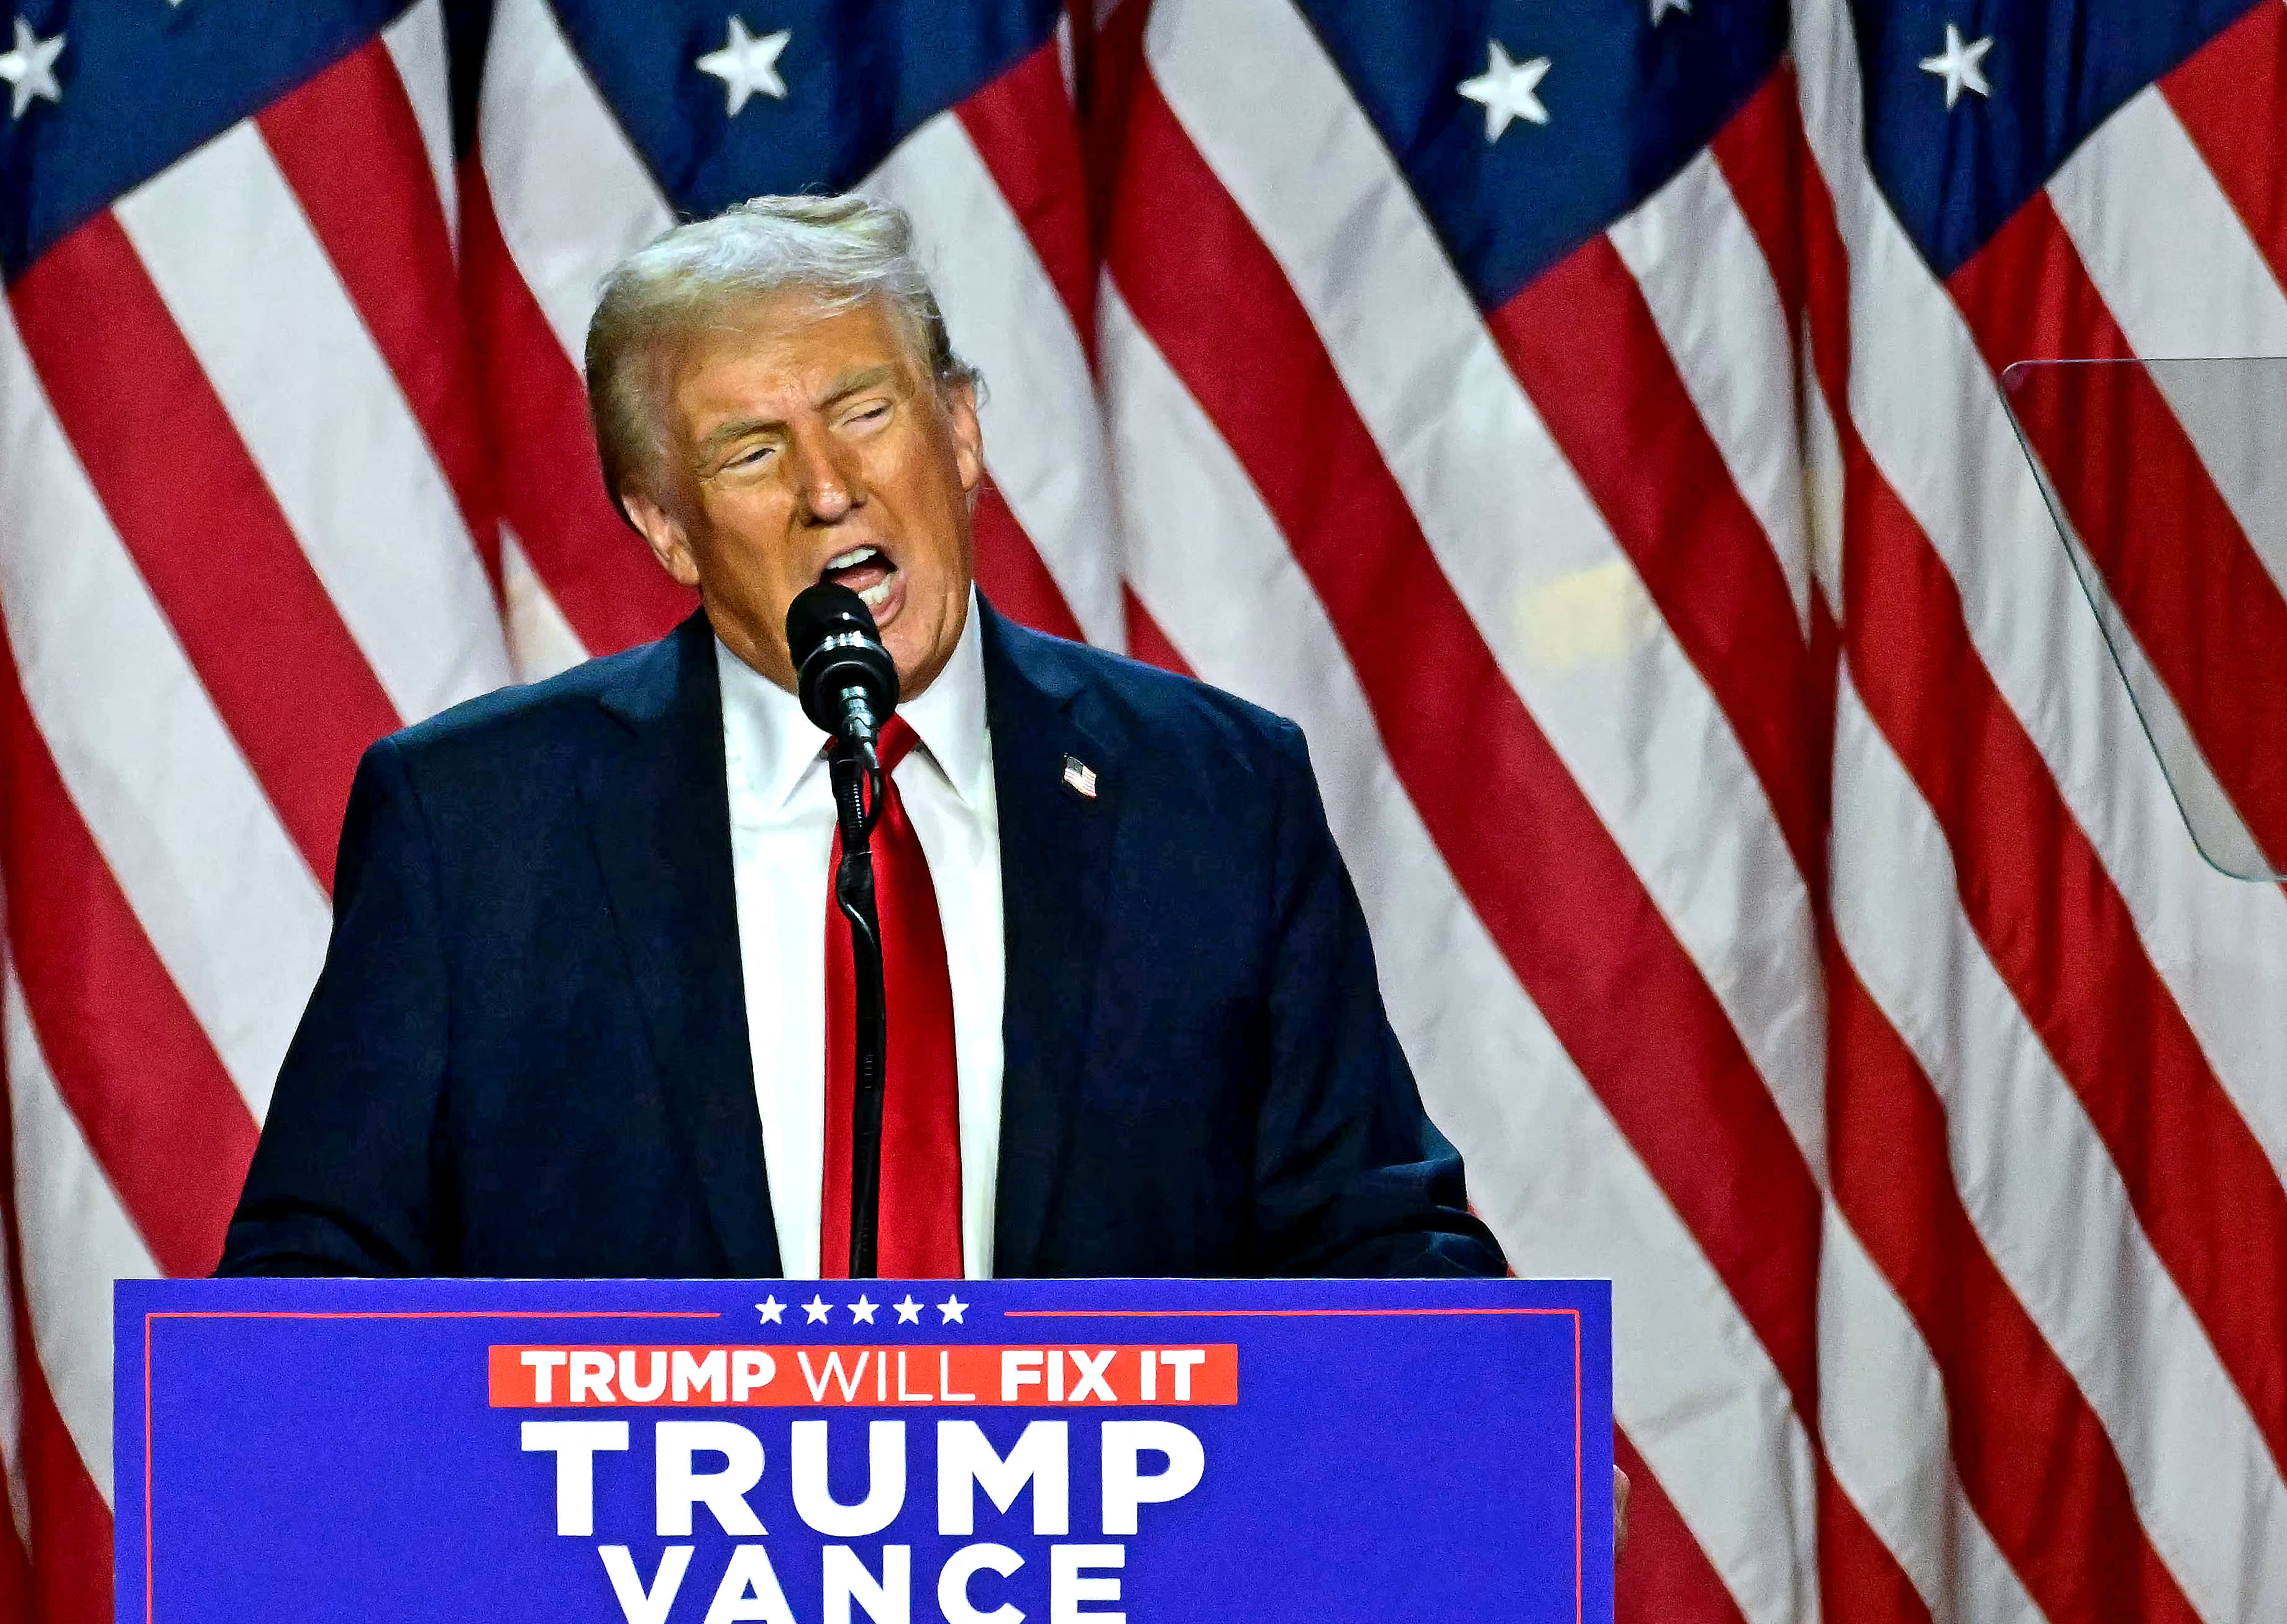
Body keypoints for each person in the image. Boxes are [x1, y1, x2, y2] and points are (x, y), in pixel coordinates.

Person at [216, 193, 1505, 1288]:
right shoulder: (477, 822)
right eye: (749, 449)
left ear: (959, 432)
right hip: (645, 1577)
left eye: (865, 411)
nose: (827, 486)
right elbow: (318, 1273)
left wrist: (1498, 1418)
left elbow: (1372, 1225)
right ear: (666, 525)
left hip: (1113, 1573)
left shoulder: (1212, 790)